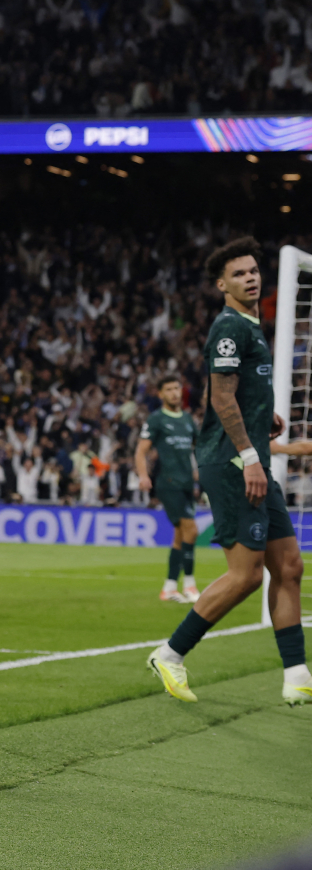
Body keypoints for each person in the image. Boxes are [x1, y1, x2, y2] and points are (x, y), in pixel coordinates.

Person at [148, 237, 310, 706]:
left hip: (249, 454)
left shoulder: (251, 325)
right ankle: (170, 653)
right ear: (222, 285)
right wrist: (252, 455)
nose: (251, 278)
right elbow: (219, 397)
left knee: (290, 567)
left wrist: (264, 417)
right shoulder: (228, 326)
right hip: (235, 463)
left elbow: (219, 394)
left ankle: (297, 675)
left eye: (254, 270)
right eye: (239, 274)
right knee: (247, 576)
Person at [136, 375, 201, 603]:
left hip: (186, 484)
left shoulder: (187, 420)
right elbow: (141, 450)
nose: (174, 393)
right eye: (169, 389)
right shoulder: (156, 420)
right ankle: (190, 585)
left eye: (177, 388)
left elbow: (198, 447)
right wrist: (143, 475)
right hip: (168, 483)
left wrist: (199, 472)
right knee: (191, 530)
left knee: (179, 536)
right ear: (161, 394)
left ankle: (170, 587)